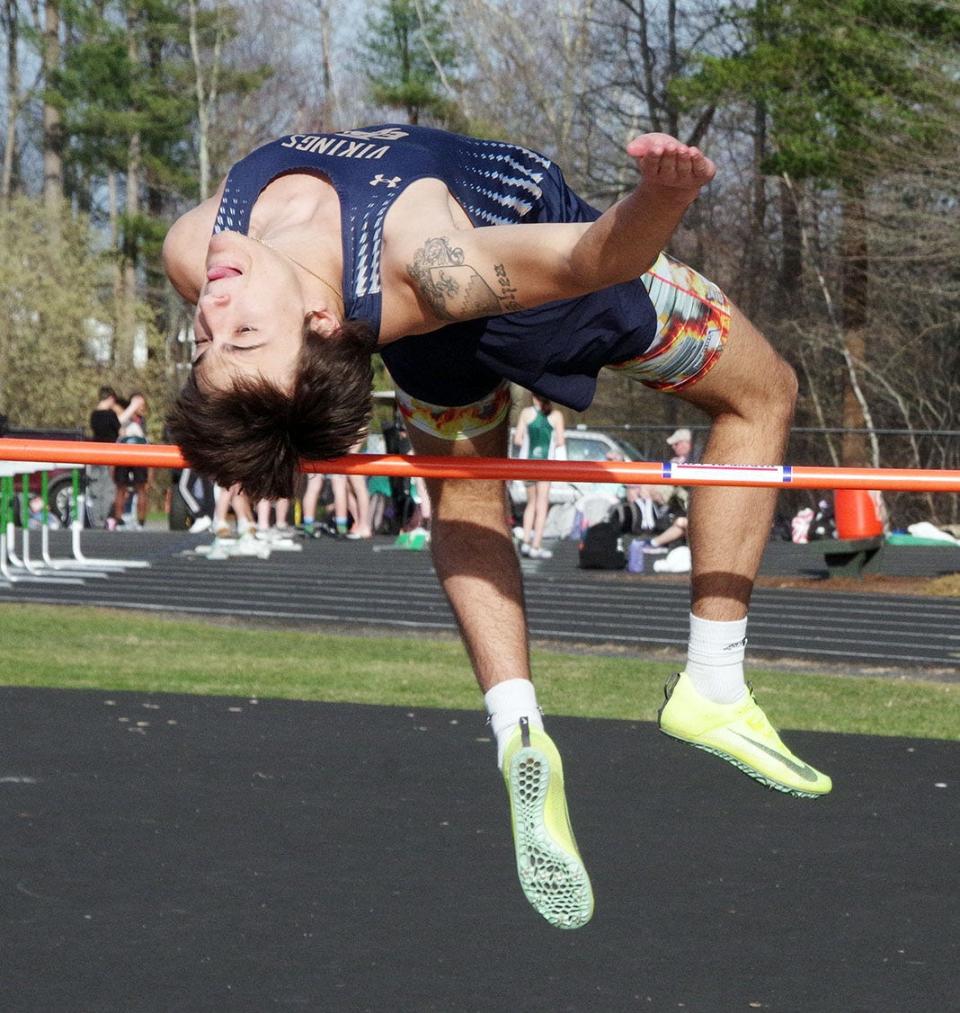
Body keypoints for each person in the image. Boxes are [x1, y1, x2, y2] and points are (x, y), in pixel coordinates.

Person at [163, 123, 831, 930]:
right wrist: (664, 196)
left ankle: (518, 725)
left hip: (429, 355)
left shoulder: (197, 247)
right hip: (539, 301)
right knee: (763, 393)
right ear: (320, 320)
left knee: (466, 494)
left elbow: (256, 350)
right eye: (241, 334)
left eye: (209, 338)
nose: (215, 306)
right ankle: (714, 685)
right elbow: (590, 261)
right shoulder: (430, 265)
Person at [513, 394, 565, 559]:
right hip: (545, 465)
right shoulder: (556, 415)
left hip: (528, 465)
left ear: (534, 397)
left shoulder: (526, 413)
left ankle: (526, 541)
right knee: (542, 505)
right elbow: (560, 441)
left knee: (531, 504)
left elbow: (518, 439)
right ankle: (536, 544)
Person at [112, 394, 151, 530]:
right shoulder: (124, 415)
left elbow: (144, 437)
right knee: (121, 488)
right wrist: (132, 406)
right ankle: (119, 520)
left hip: (139, 454)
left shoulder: (142, 420)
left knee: (141, 488)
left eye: (142, 404)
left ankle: (140, 522)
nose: (142, 407)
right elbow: (118, 422)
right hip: (123, 454)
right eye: (139, 404)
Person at [87, 386, 121, 529]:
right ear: (111, 398)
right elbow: (119, 428)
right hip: (108, 455)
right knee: (108, 488)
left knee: (95, 488)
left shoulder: (94, 415)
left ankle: (96, 520)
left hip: (95, 454)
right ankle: (104, 519)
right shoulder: (111, 415)